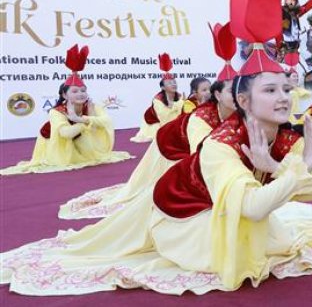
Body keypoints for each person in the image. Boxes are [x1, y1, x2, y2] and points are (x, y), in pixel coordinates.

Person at [0, 0, 312, 296]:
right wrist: (293, 172)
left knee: (278, 235)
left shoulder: (289, 133)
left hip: (238, 197)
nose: (284, 97)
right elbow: (252, 204)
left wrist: (287, 168)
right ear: (242, 99)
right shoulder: (219, 140)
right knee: (239, 252)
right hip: (188, 213)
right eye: (271, 90)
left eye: (286, 88)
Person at [58, 24, 240, 220]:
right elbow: (199, 151)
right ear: (217, 94)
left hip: (185, 142)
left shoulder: (194, 101)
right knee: (157, 191)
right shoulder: (194, 113)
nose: (240, 96)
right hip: (169, 148)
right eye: (233, 91)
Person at [1, 45, 132, 175]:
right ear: (64, 95)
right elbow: (66, 133)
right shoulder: (57, 111)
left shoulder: (91, 106)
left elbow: (106, 121)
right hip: (58, 145)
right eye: (75, 91)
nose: (80, 94)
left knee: (94, 147)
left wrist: (79, 119)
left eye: (83, 90)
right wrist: (84, 121)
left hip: (79, 137)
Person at [130, 53, 185, 143]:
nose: (173, 84)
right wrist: (178, 104)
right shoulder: (158, 99)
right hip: (156, 122)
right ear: (163, 87)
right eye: (170, 83)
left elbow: (182, 112)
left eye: (174, 82)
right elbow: (164, 117)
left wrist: (180, 104)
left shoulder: (179, 96)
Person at [283, 52, 312, 124]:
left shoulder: (300, 91)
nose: (296, 78)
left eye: (297, 77)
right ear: (287, 79)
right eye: (294, 76)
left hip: (297, 119)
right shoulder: (284, 91)